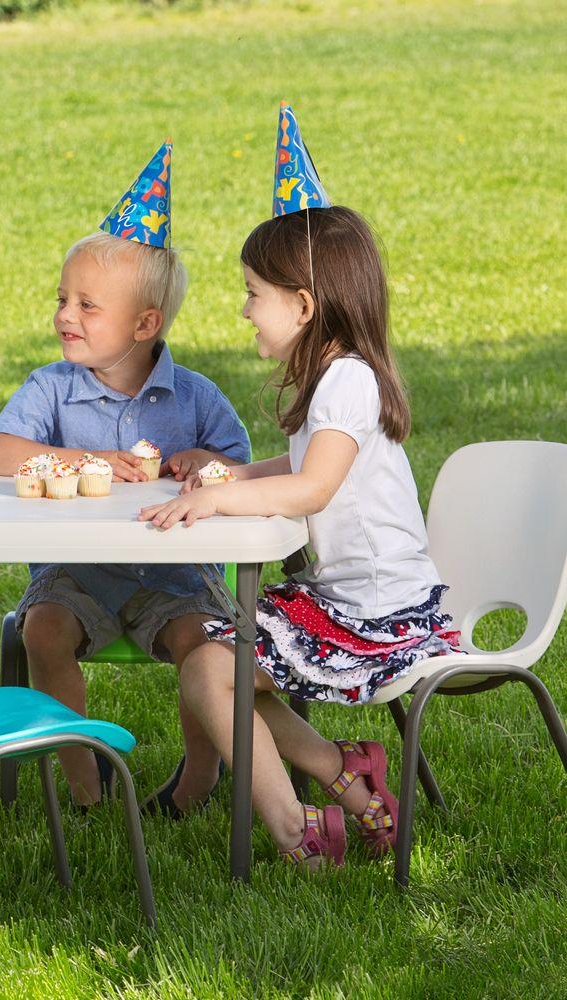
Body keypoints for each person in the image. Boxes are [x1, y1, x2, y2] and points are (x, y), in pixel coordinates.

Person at [140, 107, 461, 866]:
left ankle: (298, 832)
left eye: (254, 292)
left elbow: (315, 489)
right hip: (344, 598)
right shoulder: (333, 379)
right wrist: (235, 474)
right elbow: (299, 470)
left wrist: (218, 500)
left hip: (381, 612)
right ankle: (342, 777)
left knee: (216, 670)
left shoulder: (346, 380)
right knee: (211, 667)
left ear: (304, 305)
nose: (245, 306)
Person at [0, 143, 251, 815]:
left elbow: (241, 472)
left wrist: (204, 465)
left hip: (177, 575)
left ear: (145, 324)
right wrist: (88, 463)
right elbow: (0, 454)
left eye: (88, 306)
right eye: (63, 299)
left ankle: (198, 775)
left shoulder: (193, 398)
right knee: (41, 630)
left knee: (207, 647)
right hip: (74, 574)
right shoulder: (51, 388)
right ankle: (83, 779)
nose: (66, 316)